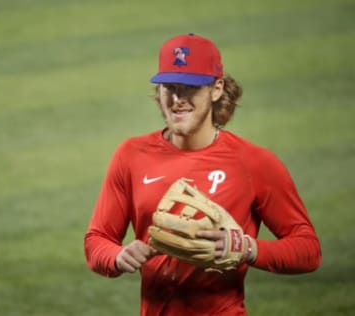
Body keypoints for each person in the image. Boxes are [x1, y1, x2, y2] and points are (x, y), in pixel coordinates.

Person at [84, 33, 321, 315]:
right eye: (169, 87)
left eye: (189, 88)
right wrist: (117, 255)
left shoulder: (253, 162)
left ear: (216, 89)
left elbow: (308, 250)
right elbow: (97, 239)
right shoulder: (131, 155)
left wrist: (247, 249)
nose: (177, 99)